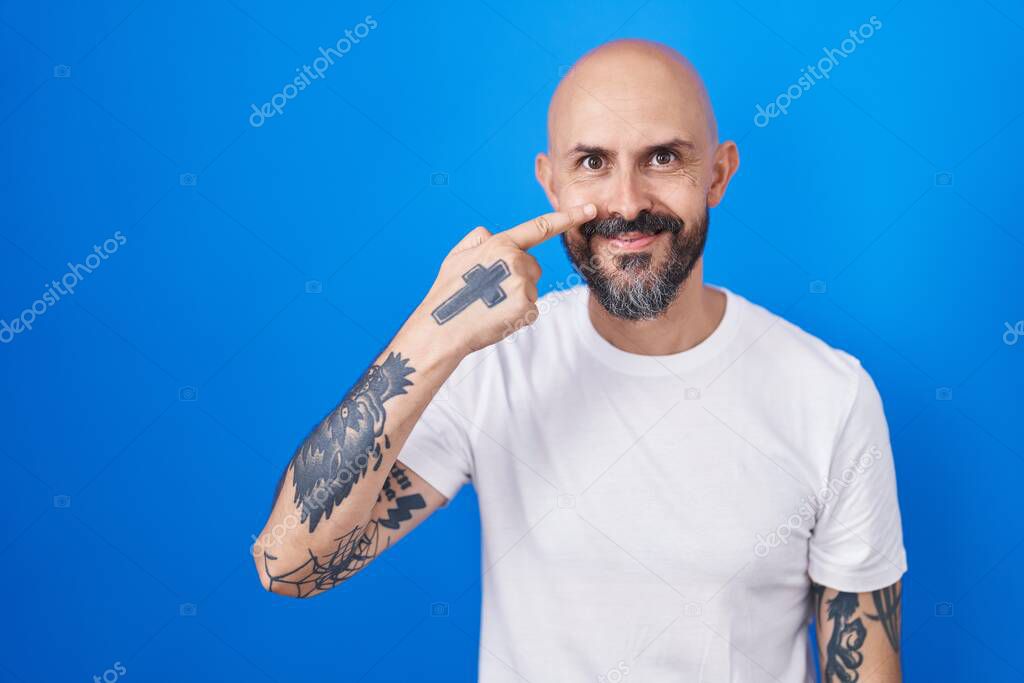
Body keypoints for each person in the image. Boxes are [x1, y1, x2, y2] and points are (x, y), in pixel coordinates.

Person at [253, 38, 907, 682]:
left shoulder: (830, 394)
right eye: (592, 162)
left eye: (662, 157)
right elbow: (289, 562)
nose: (626, 202)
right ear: (551, 180)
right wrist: (433, 332)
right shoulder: (492, 365)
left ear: (717, 173)